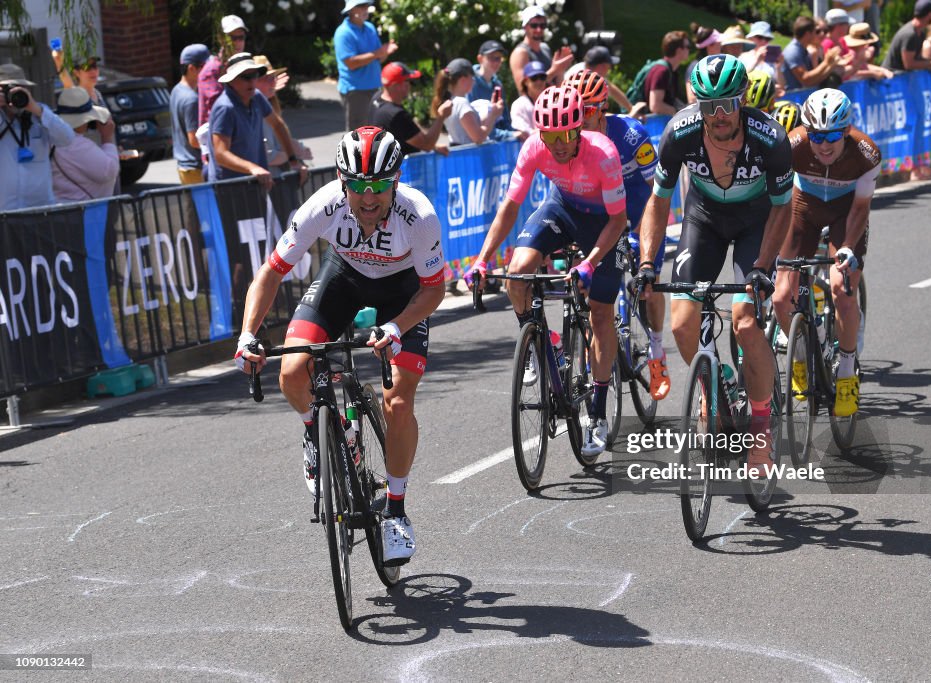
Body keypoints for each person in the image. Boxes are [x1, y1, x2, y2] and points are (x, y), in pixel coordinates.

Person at [235, 126, 444, 566]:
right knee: (292, 373)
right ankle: (317, 431)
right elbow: (271, 272)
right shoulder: (324, 205)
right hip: (343, 279)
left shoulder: (418, 216)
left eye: (380, 187)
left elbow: (433, 291)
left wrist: (396, 327)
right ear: (341, 180)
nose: (369, 199)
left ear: (397, 179)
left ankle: (397, 511)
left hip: (402, 292)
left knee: (399, 403)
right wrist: (248, 334)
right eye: (358, 188)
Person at [635, 54, 794, 473]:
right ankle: (717, 383)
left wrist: (762, 266)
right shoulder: (680, 132)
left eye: (727, 104)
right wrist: (648, 263)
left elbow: (783, 209)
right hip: (702, 219)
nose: (718, 115)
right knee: (682, 324)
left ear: (742, 99)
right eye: (709, 105)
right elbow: (658, 202)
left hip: (755, 222)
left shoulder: (770, 138)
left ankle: (761, 428)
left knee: (744, 321)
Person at [466, 86, 628, 457]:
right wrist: (482, 259)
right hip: (562, 209)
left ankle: (598, 415)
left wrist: (589, 263)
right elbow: (509, 207)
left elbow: (619, 219)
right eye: (549, 136)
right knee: (517, 273)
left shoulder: (603, 153)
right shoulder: (534, 148)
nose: (557, 145)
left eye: (565, 135)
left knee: (601, 311)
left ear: (579, 129)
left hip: (603, 223)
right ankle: (542, 342)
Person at [771, 89, 879, 418]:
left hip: (846, 212)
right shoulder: (792, 145)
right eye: (817, 135)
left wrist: (847, 247)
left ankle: (847, 373)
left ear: (846, 131)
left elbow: (861, 208)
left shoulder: (866, 153)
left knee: (841, 289)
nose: (824, 144)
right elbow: (772, 195)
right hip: (805, 207)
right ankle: (800, 356)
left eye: (833, 134)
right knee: (780, 298)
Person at [568, 69, 670, 400]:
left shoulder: (631, 135)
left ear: (602, 110)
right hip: (604, 219)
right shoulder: (572, 142)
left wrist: (644, 236)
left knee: (648, 286)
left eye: (586, 113)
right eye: (575, 113)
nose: (579, 121)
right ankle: (592, 358)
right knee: (591, 291)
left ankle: (656, 352)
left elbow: (658, 192)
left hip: (641, 215)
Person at [208, 53, 308, 189]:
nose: (251, 82)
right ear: (231, 81)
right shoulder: (225, 108)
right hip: (230, 188)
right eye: (245, 77)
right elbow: (220, 154)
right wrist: (252, 168)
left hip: (256, 182)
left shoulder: (257, 96)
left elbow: (277, 125)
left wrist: (293, 160)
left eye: (254, 76)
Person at [0, 63, 74, 211]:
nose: (13, 94)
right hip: (4, 212)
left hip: (40, 211)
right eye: (8, 89)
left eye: (19, 88)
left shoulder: (39, 113)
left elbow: (67, 138)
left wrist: (36, 109)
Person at [335, 0, 398, 130]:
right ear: (351, 10)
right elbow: (351, 63)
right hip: (356, 91)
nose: (365, 9)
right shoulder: (343, 33)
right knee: (357, 134)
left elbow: (378, 59)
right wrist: (378, 53)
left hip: (375, 87)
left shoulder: (370, 27)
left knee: (375, 130)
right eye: (361, 6)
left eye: (366, 5)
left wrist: (385, 52)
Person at [51, 87, 119, 202]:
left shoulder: (54, 139)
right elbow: (108, 171)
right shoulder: (76, 144)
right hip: (82, 213)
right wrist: (107, 138)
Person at [371, 62, 452, 156]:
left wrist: (434, 146)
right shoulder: (396, 114)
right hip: (402, 168)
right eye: (408, 81)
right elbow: (427, 145)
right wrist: (441, 117)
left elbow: (409, 132)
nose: (410, 86)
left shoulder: (377, 98)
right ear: (395, 85)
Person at [432, 57, 502, 146]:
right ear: (463, 80)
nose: (474, 81)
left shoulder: (449, 103)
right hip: (472, 157)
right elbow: (478, 138)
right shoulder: (461, 103)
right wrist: (493, 114)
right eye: (472, 77)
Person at [470, 40, 526, 142]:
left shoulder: (498, 85)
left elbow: (505, 120)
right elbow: (475, 126)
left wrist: (516, 133)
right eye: (492, 58)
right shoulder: (470, 84)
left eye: (499, 58)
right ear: (480, 59)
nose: (497, 62)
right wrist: (510, 134)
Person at [199, 14, 249, 126]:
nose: (238, 43)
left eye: (241, 37)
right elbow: (220, 110)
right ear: (220, 39)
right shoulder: (212, 70)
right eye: (232, 38)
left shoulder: (243, 65)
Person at [170, 44, 210, 185]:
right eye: (205, 66)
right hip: (195, 169)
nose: (209, 71)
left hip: (185, 166)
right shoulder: (191, 99)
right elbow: (193, 139)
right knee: (203, 207)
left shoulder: (176, 90)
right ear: (192, 69)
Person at [509, 5, 574, 87]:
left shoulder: (545, 48)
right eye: (534, 25)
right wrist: (554, 70)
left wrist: (560, 70)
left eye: (542, 25)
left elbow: (557, 84)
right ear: (525, 27)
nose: (539, 29)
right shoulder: (520, 53)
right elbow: (523, 88)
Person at [882, 1, 931, 72]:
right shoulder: (909, 34)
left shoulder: (921, 33)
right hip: (891, 79)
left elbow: (918, 60)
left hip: (902, 79)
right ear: (930, 15)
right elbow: (909, 65)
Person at [564, 45, 637, 115]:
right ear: (602, 66)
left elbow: (612, 89)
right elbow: (589, 113)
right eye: (608, 67)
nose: (609, 70)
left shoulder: (587, 69)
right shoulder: (583, 80)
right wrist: (626, 117)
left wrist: (631, 108)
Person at [780, 16, 843, 90]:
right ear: (807, 34)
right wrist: (826, 62)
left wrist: (830, 64)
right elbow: (805, 79)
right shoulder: (793, 51)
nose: (816, 35)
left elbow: (815, 80)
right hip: (793, 98)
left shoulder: (801, 48)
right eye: (815, 31)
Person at [644, 31, 691, 115]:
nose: (689, 50)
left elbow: (672, 100)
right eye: (687, 46)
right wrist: (680, 114)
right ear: (679, 51)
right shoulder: (661, 71)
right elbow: (655, 106)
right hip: (644, 124)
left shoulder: (672, 71)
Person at [510, 61, 549, 133]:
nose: (539, 81)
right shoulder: (519, 104)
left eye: (542, 77)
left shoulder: (551, 103)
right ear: (525, 81)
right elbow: (524, 133)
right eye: (534, 78)